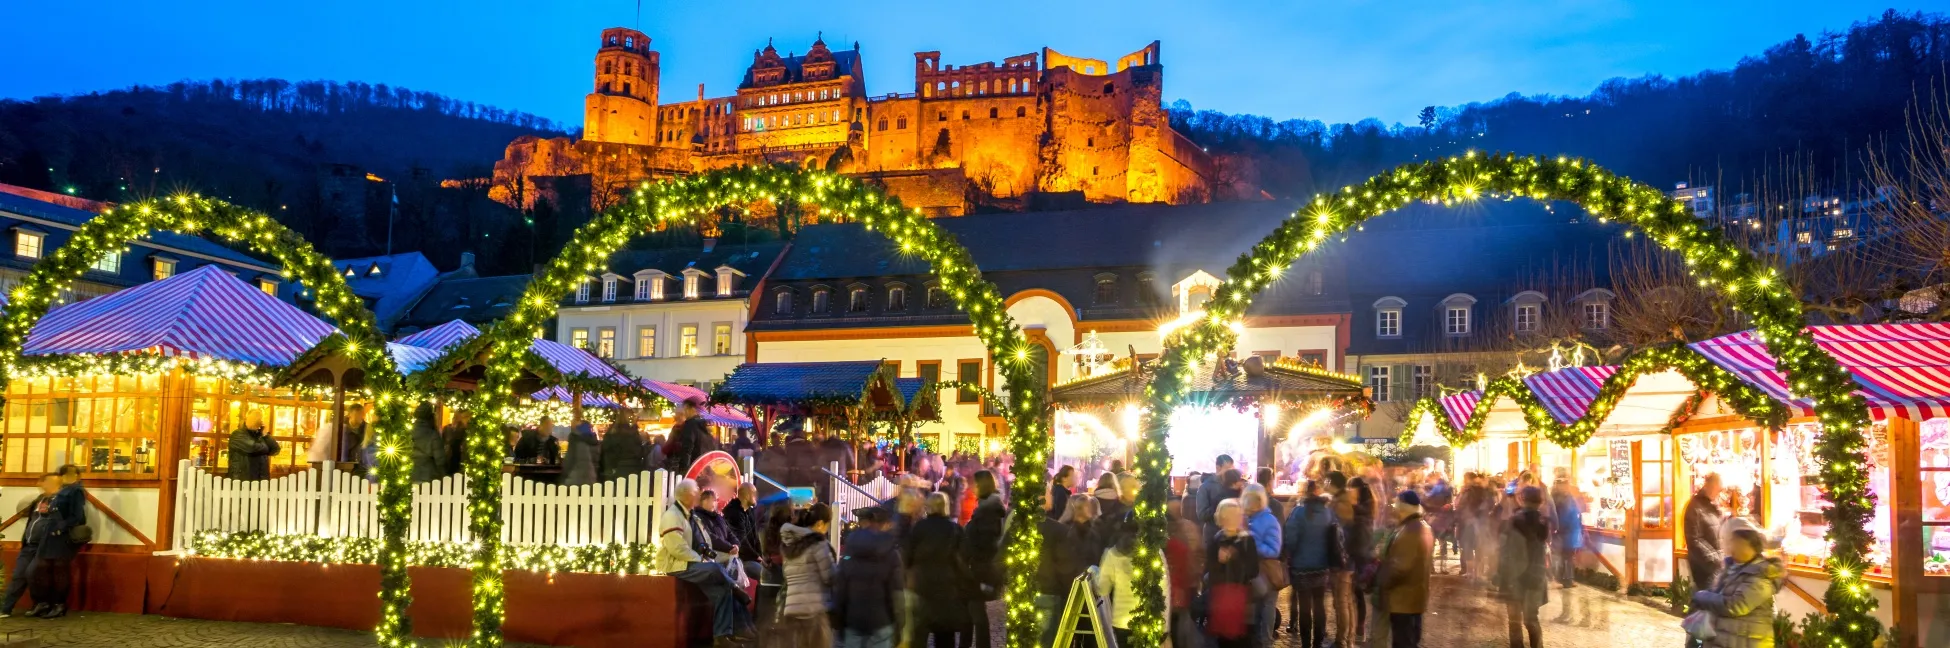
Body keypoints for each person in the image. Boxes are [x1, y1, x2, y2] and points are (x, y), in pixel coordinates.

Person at [657, 478, 753, 646]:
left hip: (691, 562)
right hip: (678, 565)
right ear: (687, 495)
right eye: (695, 493)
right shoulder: (673, 516)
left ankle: (721, 637)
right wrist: (701, 560)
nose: (697, 497)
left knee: (722, 591)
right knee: (714, 568)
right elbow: (677, 549)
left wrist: (704, 555)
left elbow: (702, 540)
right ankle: (735, 587)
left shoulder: (690, 515)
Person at [1690, 528, 1785, 648]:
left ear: (1752, 547)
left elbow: (1736, 606)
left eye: (1738, 543)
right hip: (1725, 638)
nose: (1732, 547)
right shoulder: (1731, 567)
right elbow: (1717, 592)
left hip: (1746, 641)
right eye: (1731, 542)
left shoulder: (1762, 575)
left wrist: (1702, 597)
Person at [0, 473, 76, 618]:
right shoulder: (40, 500)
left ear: (56, 484)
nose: (41, 484)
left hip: (46, 546)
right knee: (18, 575)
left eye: (45, 482)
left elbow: (70, 520)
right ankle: (6, 608)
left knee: (32, 573)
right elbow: (32, 519)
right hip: (29, 544)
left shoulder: (63, 501)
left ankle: (43, 603)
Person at [1284, 479, 1343, 647]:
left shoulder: (1298, 512)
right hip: (1322, 566)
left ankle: (1305, 643)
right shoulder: (1328, 513)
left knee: (1304, 606)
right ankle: (1318, 641)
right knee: (1319, 604)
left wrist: (1290, 555)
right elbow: (1338, 537)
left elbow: (1291, 539)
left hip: (1301, 567)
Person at [906, 492, 969, 648]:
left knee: (919, 636)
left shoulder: (919, 528)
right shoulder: (955, 529)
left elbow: (908, 556)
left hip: (922, 587)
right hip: (947, 588)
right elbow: (964, 557)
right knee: (945, 637)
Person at [835, 507, 903, 648]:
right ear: (885, 524)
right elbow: (896, 593)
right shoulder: (891, 553)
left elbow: (841, 589)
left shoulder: (850, 550)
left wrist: (839, 621)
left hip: (853, 620)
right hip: (881, 620)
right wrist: (899, 624)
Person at [1377, 490, 1434, 648]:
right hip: (1413, 597)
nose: (1393, 507)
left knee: (1403, 641)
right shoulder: (1420, 526)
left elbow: (1400, 567)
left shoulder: (1410, 530)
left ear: (1402, 507)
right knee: (1409, 639)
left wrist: (1382, 581)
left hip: (1403, 600)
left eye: (1396, 503)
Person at [1206, 499, 1263, 648]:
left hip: (1242, 597)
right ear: (1222, 518)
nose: (1234, 519)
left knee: (1242, 639)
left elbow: (1253, 570)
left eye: (1237, 515)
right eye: (1229, 515)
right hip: (1222, 598)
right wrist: (1219, 562)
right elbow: (1211, 570)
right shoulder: (1216, 539)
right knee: (1223, 639)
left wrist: (1234, 559)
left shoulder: (1247, 540)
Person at [1499, 486, 1551, 648]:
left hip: (1515, 578)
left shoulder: (1514, 521)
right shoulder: (1544, 522)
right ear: (1541, 501)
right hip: (1536, 576)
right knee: (1531, 619)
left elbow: (1507, 552)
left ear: (1521, 499)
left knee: (1514, 620)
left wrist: (1501, 576)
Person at [1036, 494, 1091, 646]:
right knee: (1049, 639)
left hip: (1035, 591)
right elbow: (1067, 567)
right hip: (1054, 592)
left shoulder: (1020, 525)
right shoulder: (1060, 530)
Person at [779, 504, 836, 648]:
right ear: (820, 523)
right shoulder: (818, 544)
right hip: (815, 611)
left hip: (792, 610)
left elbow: (786, 576)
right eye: (827, 525)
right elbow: (830, 577)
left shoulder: (790, 545)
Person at [964, 470, 1007, 648]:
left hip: (980, 569)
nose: (971, 487)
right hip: (981, 568)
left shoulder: (988, 513)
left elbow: (986, 544)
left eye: (974, 484)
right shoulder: (988, 508)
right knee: (974, 611)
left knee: (975, 612)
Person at [1243, 484, 1284, 646]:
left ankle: (1265, 640)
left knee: (1267, 605)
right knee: (1258, 606)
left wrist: (1252, 544)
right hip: (1254, 571)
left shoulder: (1269, 520)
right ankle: (1257, 639)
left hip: (1267, 571)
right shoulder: (1247, 519)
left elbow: (1274, 549)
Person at [1550, 475, 1589, 625]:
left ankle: (1565, 579)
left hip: (1568, 534)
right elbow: (1571, 517)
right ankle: (1565, 579)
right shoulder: (1565, 499)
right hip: (1568, 534)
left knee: (1565, 557)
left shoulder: (1566, 499)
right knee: (1565, 557)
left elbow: (1571, 517)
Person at [1164, 498, 1203, 648]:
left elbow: (1198, 553)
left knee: (1178, 629)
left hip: (1180, 589)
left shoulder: (1179, 536)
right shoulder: (1185, 531)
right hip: (1181, 588)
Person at [1685, 473, 1727, 605]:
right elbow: (1694, 539)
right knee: (1705, 609)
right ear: (1710, 485)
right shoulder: (1695, 507)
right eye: (1718, 488)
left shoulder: (1712, 505)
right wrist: (1715, 559)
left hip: (1717, 566)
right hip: (1705, 568)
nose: (1720, 491)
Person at [1095, 519, 1139, 646]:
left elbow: (1102, 589)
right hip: (1146, 617)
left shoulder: (1112, 554)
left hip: (1121, 619)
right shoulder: (1151, 552)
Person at [668, 397, 719, 475]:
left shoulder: (690, 425)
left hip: (694, 469)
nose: (684, 412)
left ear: (691, 408)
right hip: (706, 469)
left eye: (685, 409)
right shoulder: (705, 425)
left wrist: (684, 471)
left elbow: (687, 449)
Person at [226, 409, 280, 481]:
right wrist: (266, 447)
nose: (255, 421)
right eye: (253, 418)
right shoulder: (237, 434)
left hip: (261, 480)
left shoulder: (261, 435)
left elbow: (275, 449)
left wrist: (265, 434)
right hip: (242, 480)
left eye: (259, 419)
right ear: (246, 420)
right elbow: (252, 448)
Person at [599, 410, 648, 482]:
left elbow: (606, 450)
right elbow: (639, 452)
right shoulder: (633, 434)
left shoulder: (612, 432)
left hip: (616, 468)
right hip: (633, 467)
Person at [1198, 455, 1239, 539]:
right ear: (1218, 468)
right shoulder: (1205, 487)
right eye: (1227, 469)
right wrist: (1219, 505)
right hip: (1212, 534)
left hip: (1231, 533)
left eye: (1232, 469)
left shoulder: (1232, 485)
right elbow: (1202, 514)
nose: (1230, 473)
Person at [404, 403, 446, 483]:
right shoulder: (432, 434)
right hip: (428, 475)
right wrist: (444, 475)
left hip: (410, 474)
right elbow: (440, 460)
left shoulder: (407, 433)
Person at [723, 484, 762, 567]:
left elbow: (756, 538)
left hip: (751, 557)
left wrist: (761, 556)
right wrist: (757, 557)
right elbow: (741, 541)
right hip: (739, 559)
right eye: (754, 493)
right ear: (747, 496)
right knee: (765, 573)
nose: (756, 496)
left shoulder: (749, 511)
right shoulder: (733, 513)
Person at [560, 420, 599, 486]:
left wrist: (564, 475)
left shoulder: (576, 440)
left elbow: (569, 460)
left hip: (575, 479)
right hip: (591, 478)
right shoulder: (595, 442)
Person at [440, 410, 470, 477]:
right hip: (450, 455)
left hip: (455, 455)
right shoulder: (447, 428)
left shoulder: (462, 429)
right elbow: (443, 441)